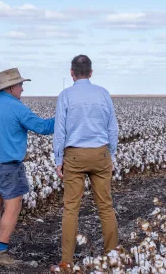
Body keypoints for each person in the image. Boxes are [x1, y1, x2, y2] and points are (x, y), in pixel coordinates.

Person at [0, 67, 55, 267]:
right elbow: (43, 128)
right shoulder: (17, 107)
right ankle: (0, 251)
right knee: (13, 207)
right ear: (12, 87)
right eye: (21, 85)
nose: (22, 89)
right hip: (9, 167)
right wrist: (64, 118)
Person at [50, 55, 119, 273]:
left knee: (71, 209)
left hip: (74, 156)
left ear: (72, 73)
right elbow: (113, 128)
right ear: (91, 72)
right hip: (100, 154)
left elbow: (59, 130)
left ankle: (66, 263)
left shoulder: (65, 95)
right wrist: (112, 155)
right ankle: (112, 258)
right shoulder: (103, 94)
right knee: (106, 207)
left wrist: (58, 160)